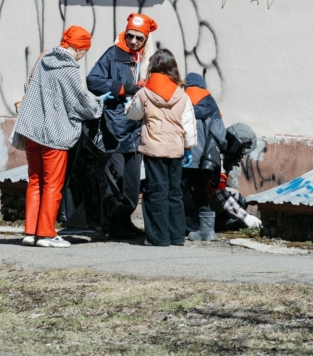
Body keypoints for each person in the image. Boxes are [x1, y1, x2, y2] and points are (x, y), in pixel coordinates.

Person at [14, 26, 112, 248]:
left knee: (35, 181)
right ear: (78, 48)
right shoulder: (69, 68)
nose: (82, 56)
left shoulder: (44, 58)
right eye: (83, 52)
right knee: (52, 184)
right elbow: (78, 101)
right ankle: (47, 234)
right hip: (54, 132)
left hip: (31, 128)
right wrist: (99, 103)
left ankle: (30, 232)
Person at [87, 13, 157, 239]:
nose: (134, 42)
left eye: (139, 38)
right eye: (130, 36)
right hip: (115, 128)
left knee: (132, 181)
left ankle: (124, 221)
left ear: (146, 39)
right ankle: (115, 224)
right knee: (116, 179)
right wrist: (121, 88)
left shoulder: (149, 59)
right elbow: (93, 80)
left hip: (137, 130)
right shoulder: (113, 54)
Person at [127, 49, 196, 247]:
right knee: (174, 192)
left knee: (157, 191)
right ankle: (176, 236)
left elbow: (133, 115)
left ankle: (158, 237)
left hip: (153, 149)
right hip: (175, 149)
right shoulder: (182, 95)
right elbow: (189, 124)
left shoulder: (144, 93)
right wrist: (188, 147)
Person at [180, 73, 227, 240]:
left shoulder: (181, 101)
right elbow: (220, 136)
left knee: (176, 193)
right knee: (199, 192)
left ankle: (176, 229)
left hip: (184, 157)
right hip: (204, 162)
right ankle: (207, 232)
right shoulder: (212, 104)